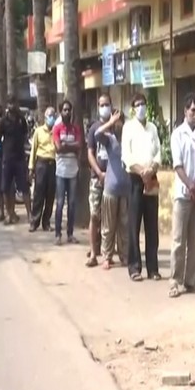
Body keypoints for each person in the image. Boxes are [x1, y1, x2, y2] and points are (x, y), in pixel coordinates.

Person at [121, 92, 162, 282]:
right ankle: (134, 267)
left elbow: (158, 154)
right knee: (134, 225)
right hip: (135, 180)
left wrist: (151, 169)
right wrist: (141, 171)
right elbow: (126, 157)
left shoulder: (152, 128)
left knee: (152, 226)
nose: (141, 107)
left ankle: (153, 268)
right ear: (132, 108)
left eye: (143, 104)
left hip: (151, 179)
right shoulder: (128, 128)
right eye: (137, 105)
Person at [168, 94, 195, 298]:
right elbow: (177, 165)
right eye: (192, 110)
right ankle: (174, 280)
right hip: (183, 193)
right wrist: (190, 184)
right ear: (185, 111)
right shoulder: (177, 134)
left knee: (194, 241)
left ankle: (190, 280)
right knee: (178, 240)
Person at [94, 110, 129, 269]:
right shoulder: (109, 139)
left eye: (120, 121)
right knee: (108, 225)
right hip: (111, 188)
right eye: (116, 121)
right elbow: (96, 134)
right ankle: (107, 256)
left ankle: (124, 255)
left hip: (126, 189)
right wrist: (109, 122)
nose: (118, 124)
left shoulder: (129, 140)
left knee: (124, 225)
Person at [0, 96, 31, 225]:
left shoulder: (22, 121)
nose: (12, 106)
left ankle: (29, 215)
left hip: (20, 159)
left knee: (24, 188)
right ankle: (9, 214)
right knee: (6, 188)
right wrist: (0, 152)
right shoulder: (3, 122)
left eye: (14, 103)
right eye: (10, 103)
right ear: (7, 105)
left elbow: (25, 137)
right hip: (7, 159)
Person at [86, 94, 111, 267]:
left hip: (113, 180)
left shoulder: (116, 126)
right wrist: (99, 173)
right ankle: (93, 253)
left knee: (110, 218)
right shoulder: (94, 128)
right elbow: (90, 154)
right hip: (97, 179)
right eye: (101, 105)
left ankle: (108, 253)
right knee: (95, 215)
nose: (104, 107)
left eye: (107, 104)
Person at [53, 99, 82, 245]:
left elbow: (79, 145)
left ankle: (70, 234)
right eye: (64, 110)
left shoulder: (76, 129)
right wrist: (70, 146)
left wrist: (66, 145)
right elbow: (58, 148)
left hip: (73, 170)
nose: (67, 112)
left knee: (72, 204)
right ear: (60, 112)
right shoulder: (57, 128)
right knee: (59, 203)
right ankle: (58, 234)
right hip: (61, 170)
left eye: (69, 110)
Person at [29, 106, 57, 232]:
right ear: (45, 117)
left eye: (53, 115)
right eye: (49, 115)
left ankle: (46, 223)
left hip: (53, 164)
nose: (52, 118)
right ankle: (34, 222)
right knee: (38, 193)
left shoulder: (56, 131)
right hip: (41, 163)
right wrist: (31, 168)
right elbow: (33, 150)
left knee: (50, 195)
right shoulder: (38, 131)